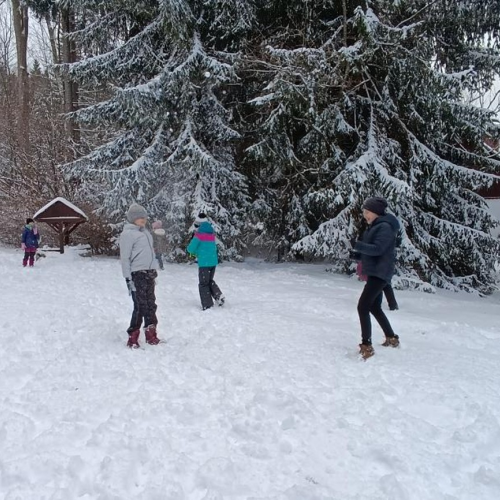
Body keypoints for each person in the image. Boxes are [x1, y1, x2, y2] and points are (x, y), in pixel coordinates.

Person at [352, 197, 400, 360]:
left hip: (380, 273)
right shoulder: (375, 227)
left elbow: (378, 249)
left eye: (367, 212)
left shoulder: (384, 227)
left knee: (363, 307)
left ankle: (367, 346)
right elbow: (371, 250)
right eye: (364, 212)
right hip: (376, 272)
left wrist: (359, 245)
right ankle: (391, 338)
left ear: (376, 212)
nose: (365, 215)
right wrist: (357, 254)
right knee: (374, 307)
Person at [119, 203, 161, 348]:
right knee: (140, 305)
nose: (143, 219)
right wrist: (128, 278)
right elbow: (125, 258)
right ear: (132, 219)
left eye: (144, 216)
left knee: (151, 304)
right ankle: (133, 335)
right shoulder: (128, 234)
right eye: (139, 217)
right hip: (137, 275)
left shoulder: (146, 233)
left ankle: (151, 333)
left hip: (149, 273)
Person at [187, 213, 225, 310]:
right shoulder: (211, 234)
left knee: (203, 283)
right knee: (209, 281)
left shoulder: (199, 235)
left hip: (204, 263)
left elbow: (190, 249)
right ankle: (218, 295)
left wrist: (195, 253)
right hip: (213, 262)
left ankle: (208, 305)